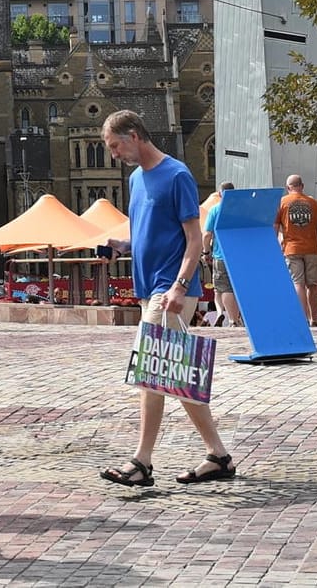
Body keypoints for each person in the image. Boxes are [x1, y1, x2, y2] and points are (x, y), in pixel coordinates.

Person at [99, 110, 236, 487]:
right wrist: (120, 247)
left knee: (151, 373)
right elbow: (149, 234)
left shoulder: (177, 175)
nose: (114, 154)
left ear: (134, 135)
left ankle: (142, 462)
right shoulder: (136, 179)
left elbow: (194, 240)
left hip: (170, 290)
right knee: (174, 375)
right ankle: (218, 456)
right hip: (149, 290)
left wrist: (179, 285)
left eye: (115, 146)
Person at [275, 174, 317, 325]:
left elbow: (275, 227)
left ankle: (302, 319)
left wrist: (275, 249)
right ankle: (314, 318)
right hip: (312, 249)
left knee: (298, 283)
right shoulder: (314, 203)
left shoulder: (282, 203)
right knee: (313, 285)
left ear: (288, 188)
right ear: (302, 186)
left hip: (291, 249)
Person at [200, 183, 240, 326]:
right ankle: (223, 314)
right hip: (238, 255)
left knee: (224, 288)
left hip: (220, 255)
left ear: (220, 193)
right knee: (229, 288)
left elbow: (207, 235)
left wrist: (206, 251)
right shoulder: (239, 211)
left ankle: (231, 319)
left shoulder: (215, 210)